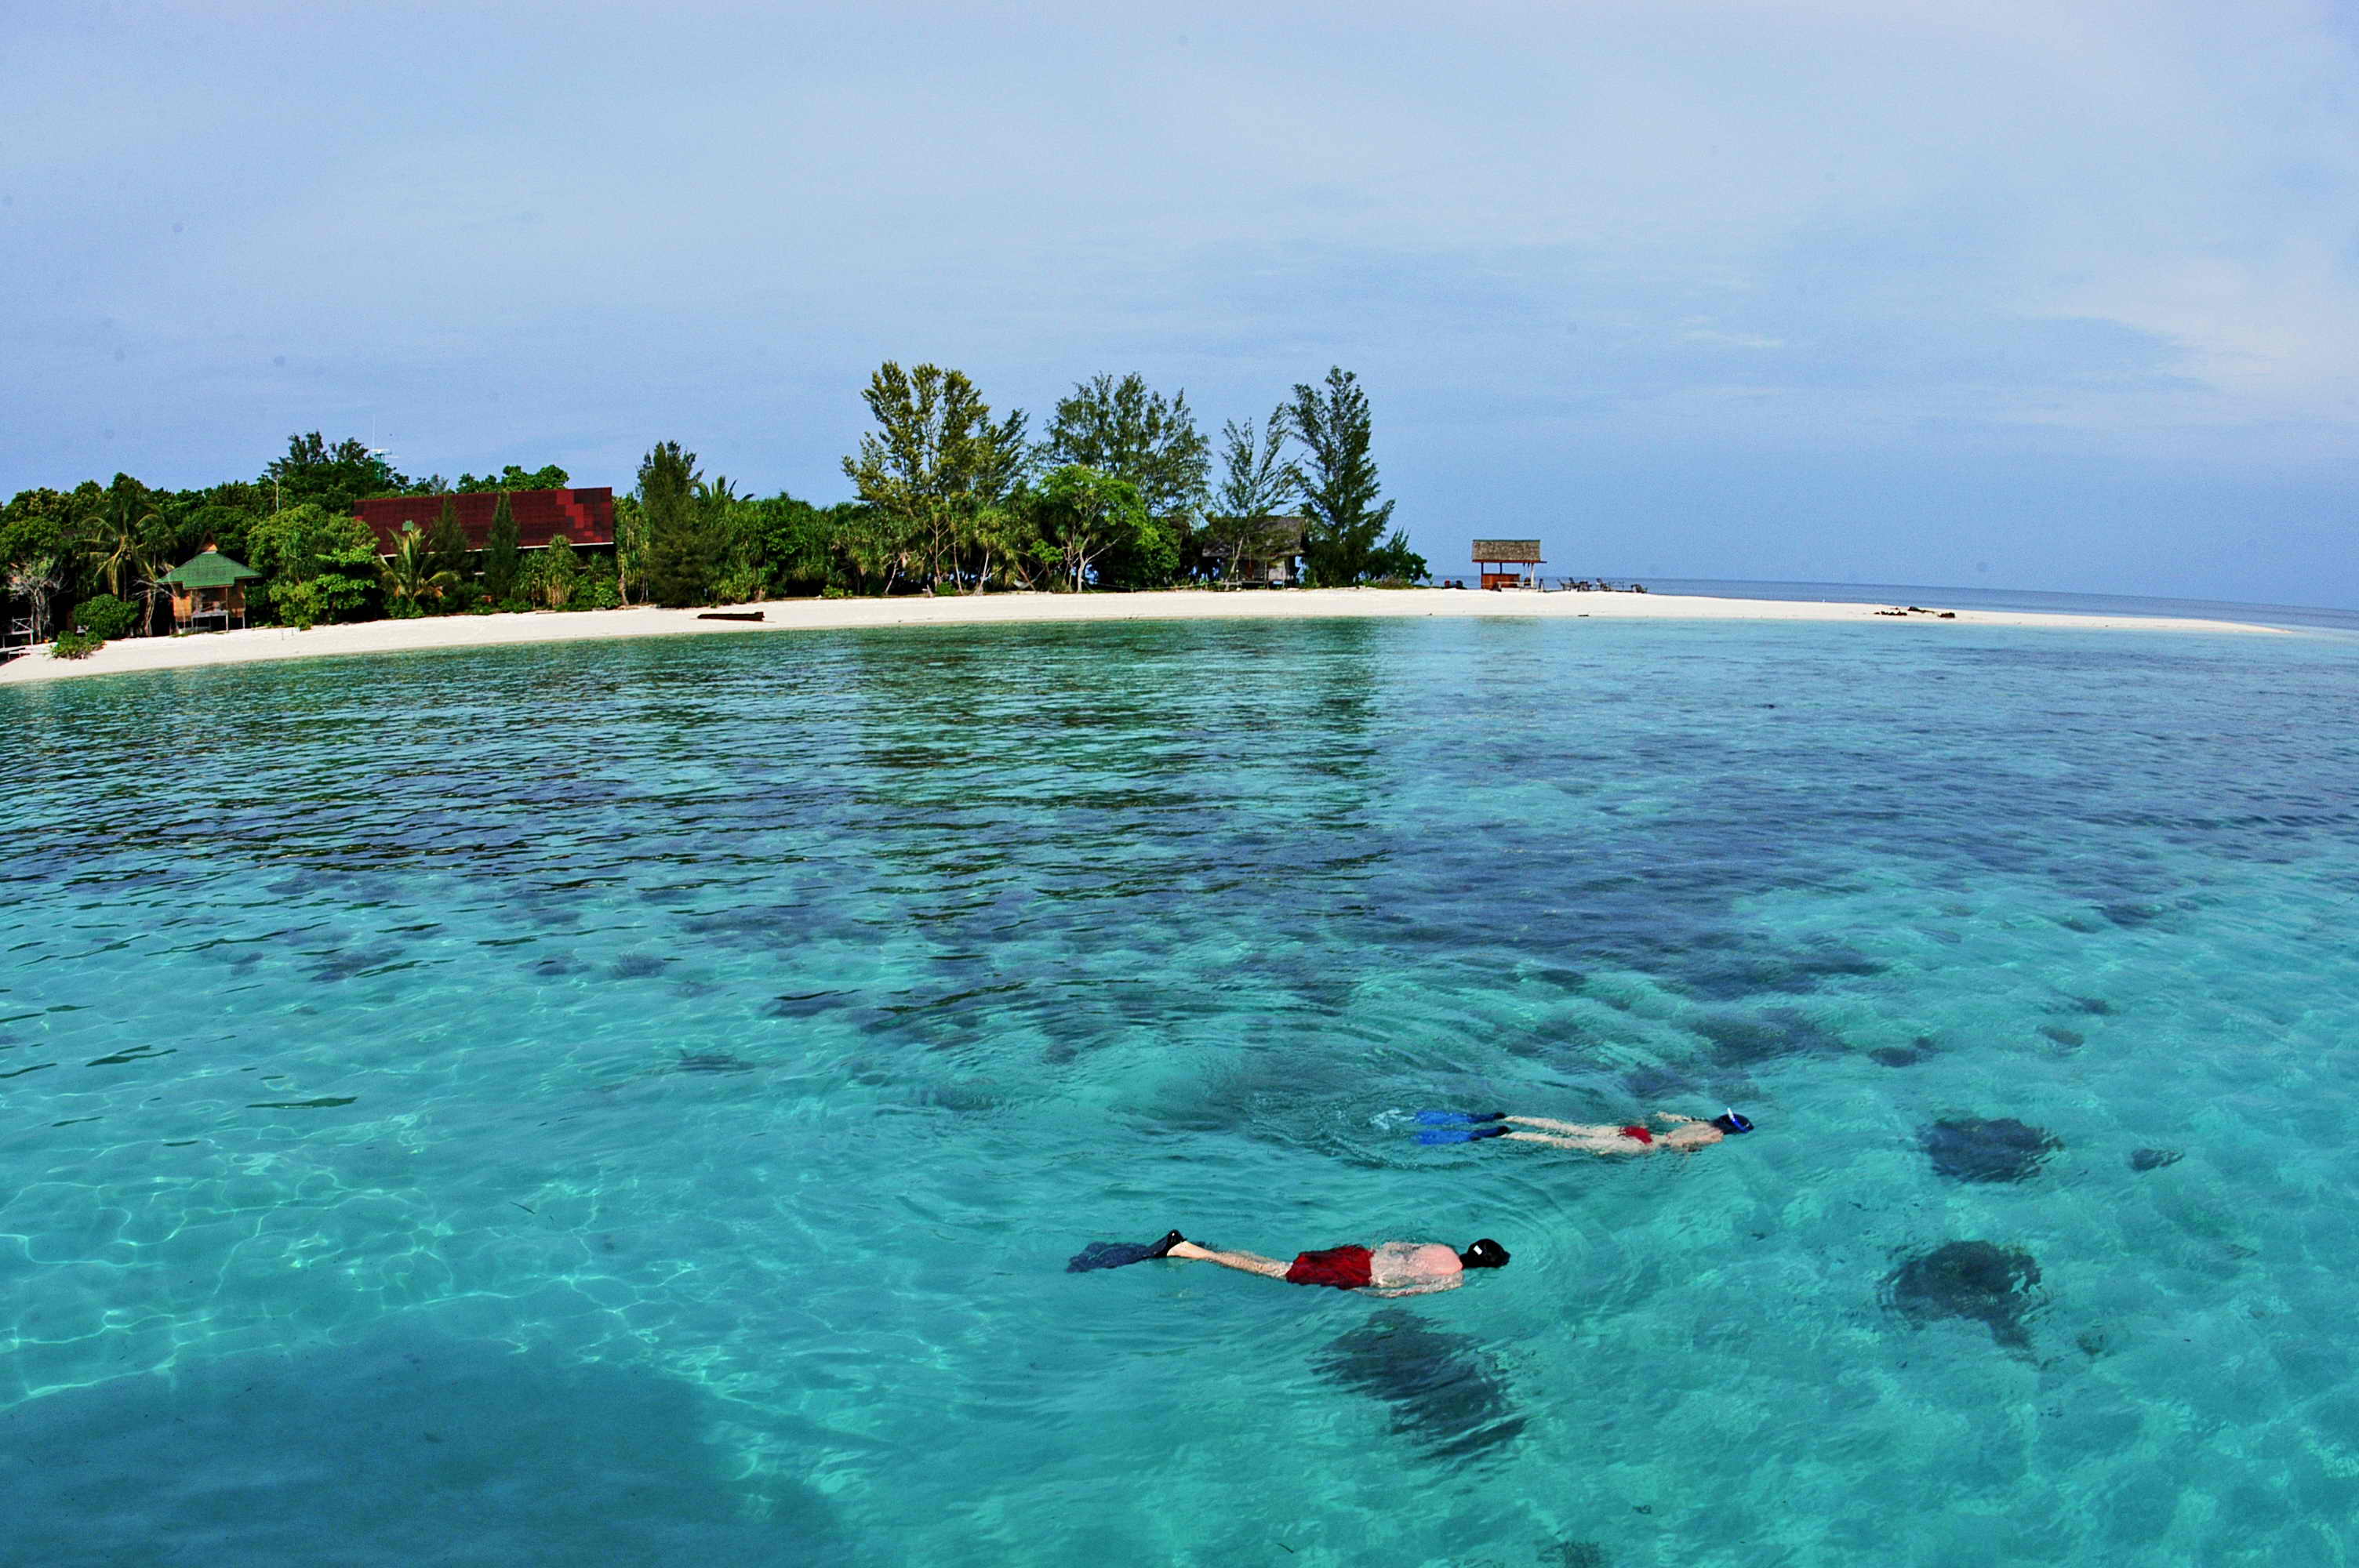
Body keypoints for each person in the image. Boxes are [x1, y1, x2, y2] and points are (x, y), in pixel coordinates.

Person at [1152, 1232, 1510, 1296]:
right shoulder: (1454, 1279)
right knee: (1277, 1272)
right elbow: (1402, 1293)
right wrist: (1369, 1292)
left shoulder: (1441, 1248)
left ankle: (1210, 1250)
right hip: (1361, 1273)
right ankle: (1188, 1251)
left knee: (1281, 1265)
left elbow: (1393, 1245)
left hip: (1360, 1256)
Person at [1419, 1109, 1754, 1156]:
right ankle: (1506, 1134)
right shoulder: (1715, 1137)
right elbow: (1682, 1147)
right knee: (1566, 1143)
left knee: (1569, 1128)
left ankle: (1510, 1117)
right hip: (1648, 1145)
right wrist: (1684, 1158)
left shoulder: (1700, 1119)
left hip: (1638, 1130)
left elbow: (1665, 1116)